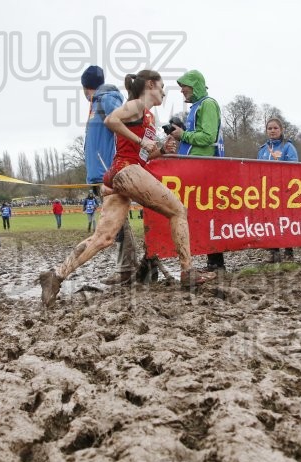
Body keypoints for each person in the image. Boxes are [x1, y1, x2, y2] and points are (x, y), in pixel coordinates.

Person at [39, 70, 215, 307]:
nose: (164, 92)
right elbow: (111, 120)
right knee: (178, 211)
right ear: (150, 84)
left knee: (104, 238)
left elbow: (143, 154)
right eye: (162, 86)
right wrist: (142, 141)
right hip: (126, 170)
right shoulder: (136, 105)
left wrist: (162, 150)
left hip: (120, 173)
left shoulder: (148, 116)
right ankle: (187, 272)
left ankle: (56, 276)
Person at [165, 69, 226, 272]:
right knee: (197, 213)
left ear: (196, 85)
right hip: (194, 166)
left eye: (185, 85)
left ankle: (216, 262)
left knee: (208, 213)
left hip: (206, 168)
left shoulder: (208, 104)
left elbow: (208, 137)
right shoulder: (196, 108)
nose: (182, 90)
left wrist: (184, 135)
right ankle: (211, 260)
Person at [81, 65, 137, 285]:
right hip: (99, 174)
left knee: (116, 221)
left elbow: (125, 123)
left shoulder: (106, 99)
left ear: (86, 87)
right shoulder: (97, 104)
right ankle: (129, 265)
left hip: (109, 172)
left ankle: (127, 268)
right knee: (117, 221)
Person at [257, 118, 299, 263]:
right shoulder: (262, 149)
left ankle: (288, 251)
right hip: (266, 192)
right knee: (269, 221)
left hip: (284, 191)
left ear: (281, 130)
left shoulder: (288, 147)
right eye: (270, 128)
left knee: (285, 220)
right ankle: (273, 252)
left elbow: (294, 167)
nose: (272, 131)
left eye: (275, 128)